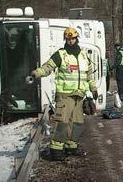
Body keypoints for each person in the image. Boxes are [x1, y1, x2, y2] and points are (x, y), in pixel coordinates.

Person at [30, 27, 97, 161]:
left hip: (79, 95)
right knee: (62, 122)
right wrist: (36, 73)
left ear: (76, 38)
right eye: (68, 39)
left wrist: (93, 88)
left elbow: (89, 74)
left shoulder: (84, 55)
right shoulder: (61, 54)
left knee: (77, 122)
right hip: (65, 95)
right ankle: (56, 150)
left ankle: (71, 146)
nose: (71, 41)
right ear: (65, 40)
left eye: (72, 38)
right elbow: (48, 67)